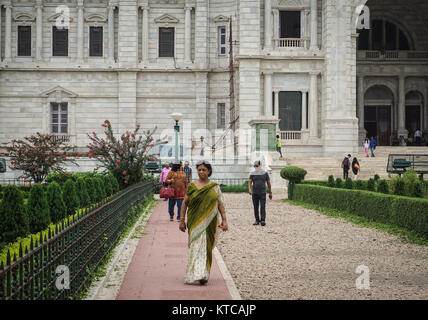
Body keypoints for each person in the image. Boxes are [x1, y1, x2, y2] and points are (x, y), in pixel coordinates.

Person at [179, 160, 228, 285]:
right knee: (196, 246)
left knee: (206, 247)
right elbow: (185, 203)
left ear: (209, 171)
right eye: (199, 170)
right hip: (194, 221)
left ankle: (203, 274)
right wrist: (181, 220)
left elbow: (220, 204)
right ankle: (196, 273)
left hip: (210, 223)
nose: (201, 172)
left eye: (204, 170)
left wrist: (224, 220)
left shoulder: (214, 187)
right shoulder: (192, 186)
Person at [248, 160, 272, 226]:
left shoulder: (265, 173)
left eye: (256, 166)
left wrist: (270, 192)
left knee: (262, 206)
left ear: (260, 165)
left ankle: (263, 220)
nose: (255, 167)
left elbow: (268, 183)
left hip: (262, 192)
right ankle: (257, 220)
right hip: (254, 193)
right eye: (254, 166)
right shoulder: (252, 173)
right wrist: (249, 189)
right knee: (255, 207)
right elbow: (249, 182)